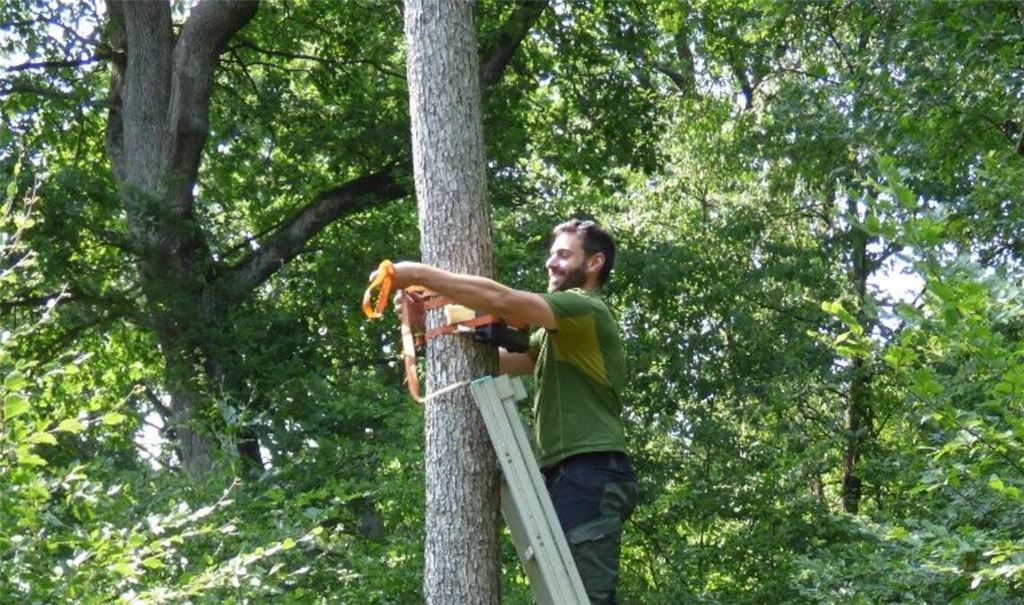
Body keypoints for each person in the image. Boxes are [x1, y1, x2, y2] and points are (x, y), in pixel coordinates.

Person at [381, 219, 637, 604]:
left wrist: (415, 274)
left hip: (591, 472)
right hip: (571, 474)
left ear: (594, 263)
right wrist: (425, 331)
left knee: (581, 598)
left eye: (564, 254)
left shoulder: (585, 310)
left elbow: (501, 300)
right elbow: (495, 363)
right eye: (551, 254)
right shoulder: (555, 337)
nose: (551, 263)